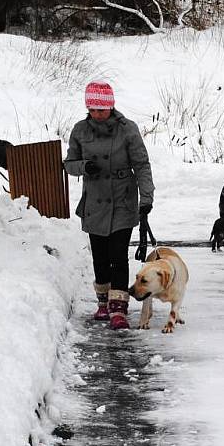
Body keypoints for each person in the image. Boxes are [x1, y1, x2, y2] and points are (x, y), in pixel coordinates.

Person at [64, 81, 155, 330]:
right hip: (95, 201)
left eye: (101, 110)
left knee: (118, 256)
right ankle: (103, 302)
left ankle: (118, 308)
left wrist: (146, 197)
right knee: (100, 258)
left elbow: (142, 165)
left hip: (123, 200)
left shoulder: (127, 129)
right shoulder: (80, 130)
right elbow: (69, 163)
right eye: (92, 110)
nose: (97, 115)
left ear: (111, 107)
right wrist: (84, 167)